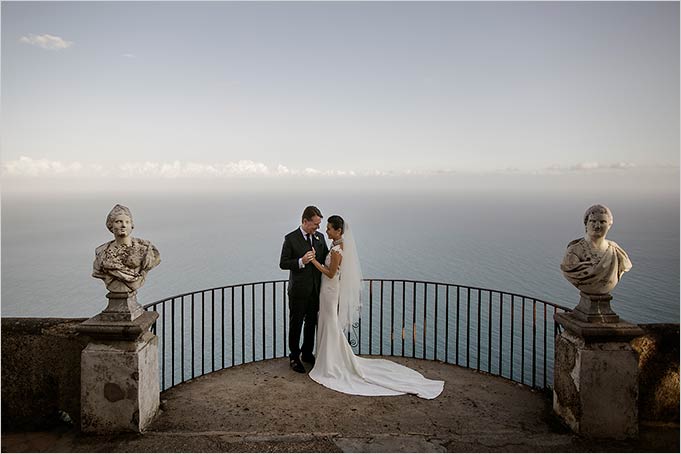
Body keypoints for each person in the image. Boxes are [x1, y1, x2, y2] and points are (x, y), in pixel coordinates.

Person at [308, 215, 444, 399]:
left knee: (330, 322)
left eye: (329, 228)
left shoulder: (338, 250)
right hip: (328, 290)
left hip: (330, 290)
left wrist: (314, 261)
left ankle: (332, 362)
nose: (326, 230)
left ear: (338, 231)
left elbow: (331, 274)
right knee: (327, 321)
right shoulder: (337, 246)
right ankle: (329, 358)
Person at [279, 206, 330, 373]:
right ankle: (294, 356)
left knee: (310, 324)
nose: (318, 227)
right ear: (305, 221)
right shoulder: (291, 238)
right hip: (299, 291)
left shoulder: (320, 238)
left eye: (319, 224)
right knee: (296, 324)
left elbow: (326, 259)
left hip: (316, 290)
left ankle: (307, 353)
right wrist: (301, 261)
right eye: (315, 224)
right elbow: (283, 263)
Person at [560, 204, 632, 295]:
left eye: (602, 222)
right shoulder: (574, 251)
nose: (597, 226)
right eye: (593, 221)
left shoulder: (616, 252)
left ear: (609, 225)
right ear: (586, 224)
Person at [92, 204, 161, 293]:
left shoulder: (146, 249)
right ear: (111, 226)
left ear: (131, 226)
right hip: (114, 289)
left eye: (127, 222)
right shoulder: (101, 252)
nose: (123, 225)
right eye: (118, 222)